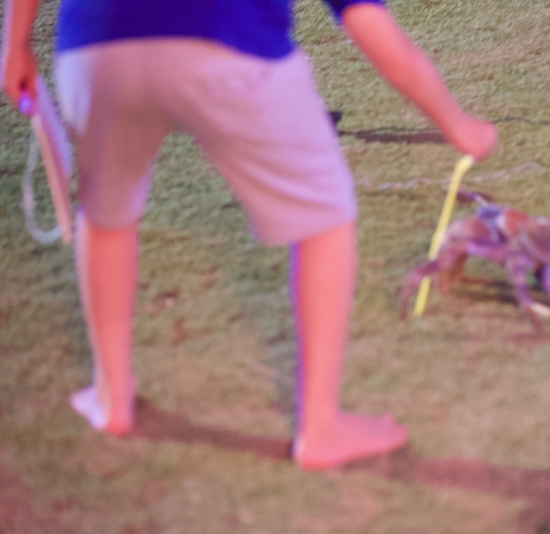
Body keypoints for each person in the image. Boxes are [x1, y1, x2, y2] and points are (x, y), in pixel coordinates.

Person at [1, 0, 497, 470]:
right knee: (325, 217)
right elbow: (368, 23)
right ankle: (320, 428)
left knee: (105, 213)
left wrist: (15, 44)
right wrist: (456, 124)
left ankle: (111, 398)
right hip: (227, 44)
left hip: (96, 46)